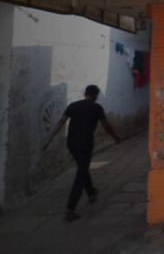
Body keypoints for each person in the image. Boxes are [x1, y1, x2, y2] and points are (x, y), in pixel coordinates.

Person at [42, 84, 121, 221]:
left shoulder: (73, 105)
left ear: (85, 94)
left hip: (71, 144)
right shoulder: (96, 108)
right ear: (95, 96)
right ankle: (70, 209)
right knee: (80, 174)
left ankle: (91, 192)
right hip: (85, 144)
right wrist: (116, 138)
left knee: (82, 168)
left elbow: (61, 122)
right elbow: (106, 126)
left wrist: (48, 139)